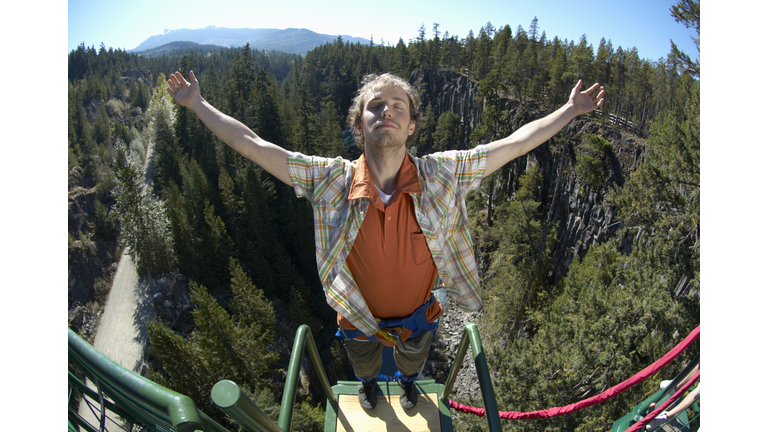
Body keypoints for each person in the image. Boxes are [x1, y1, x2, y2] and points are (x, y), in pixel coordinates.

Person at [166, 70, 604, 411]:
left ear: (411, 125)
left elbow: (514, 143)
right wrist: (197, 103)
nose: (387, 111)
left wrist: (568, 111)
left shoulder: (441, 175)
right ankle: (372, 386)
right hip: (357, 319)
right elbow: (253, 145)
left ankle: (410, 384)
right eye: (376, 106)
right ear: (360, 125)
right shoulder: (331, 181)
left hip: (420, 317)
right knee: (364, 365)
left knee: (413, 362)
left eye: (398, 106)